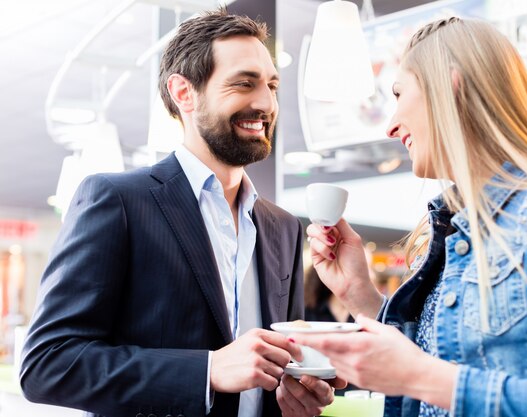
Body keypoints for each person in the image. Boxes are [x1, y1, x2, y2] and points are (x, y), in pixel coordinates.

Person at [294, 17, 527, 417]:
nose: (390, 125)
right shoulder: (449, 225)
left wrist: (422, 378)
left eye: (400, 94)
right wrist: (359, 296)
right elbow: (438, 359)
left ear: (450, 87)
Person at [20, 9, 339, 417]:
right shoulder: (117, 200)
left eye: (272, 86)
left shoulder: (283, 227)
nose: (266, 103)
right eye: (244, 83)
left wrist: (298, 393)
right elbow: (48, 364)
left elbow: (283, 364)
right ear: (184, 93)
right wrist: (206, 371)